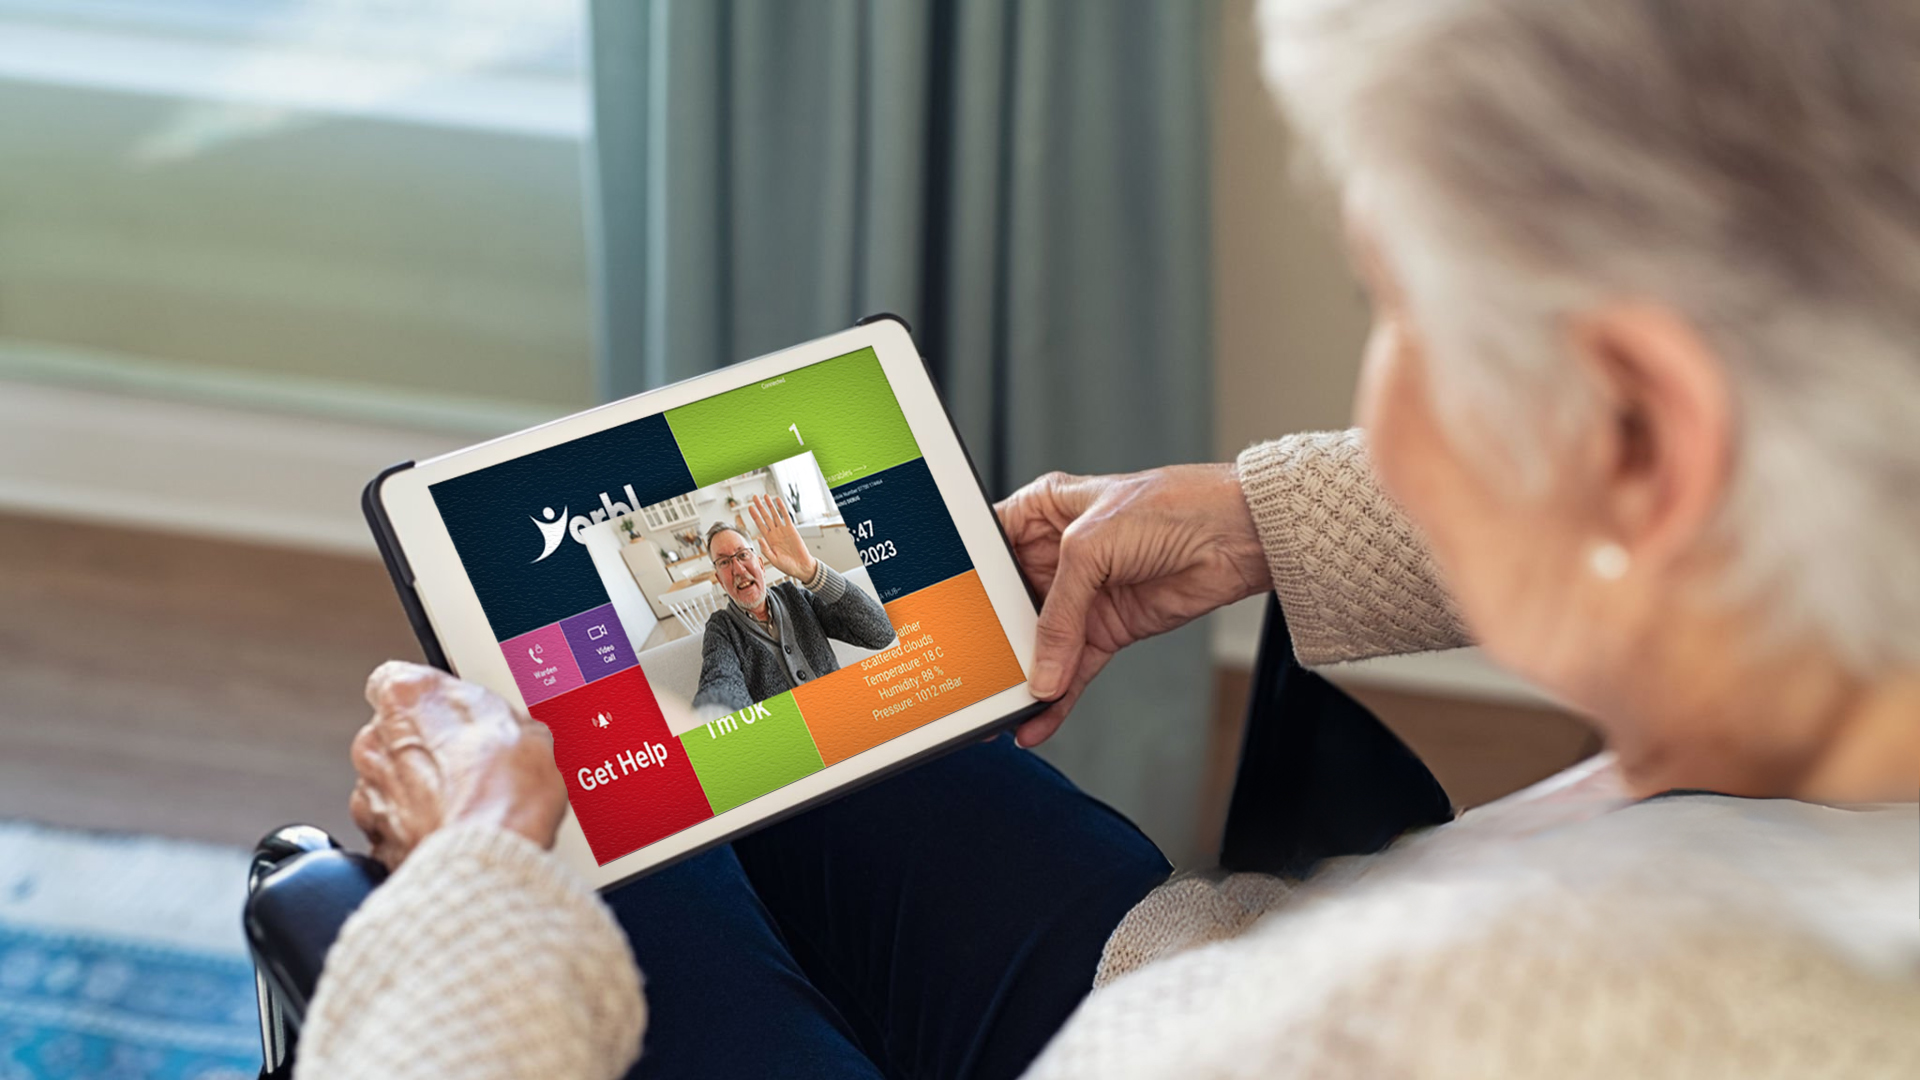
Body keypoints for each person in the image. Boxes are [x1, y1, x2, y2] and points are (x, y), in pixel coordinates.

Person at [304, 1, 1920, 1077]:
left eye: (1404, 307)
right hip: (1197, 966)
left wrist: (471, 903)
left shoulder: (1460, 1018)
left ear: (1641, 434)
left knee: (585, 828)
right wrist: (1271, 522)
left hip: (1196, 1020)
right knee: (770, 725)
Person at [690, 494, 895, 713]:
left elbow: (882, 633)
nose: (738, 569)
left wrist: (811, 571)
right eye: (724, 562)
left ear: (760, 564)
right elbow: (720, 680)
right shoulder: (721, 629)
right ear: (720, 580)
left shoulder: (797, 597)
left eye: (742, 555)